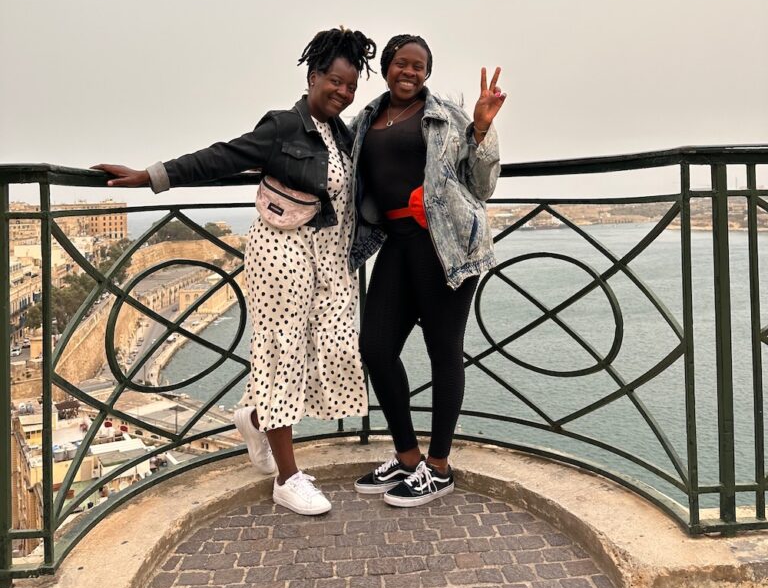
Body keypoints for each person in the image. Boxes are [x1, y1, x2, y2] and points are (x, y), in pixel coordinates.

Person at [93, 27, 376, 516]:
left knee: (327, 346)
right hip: (284, 251)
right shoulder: (286, 125)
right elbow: (222, 155)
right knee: (282, 352)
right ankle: (288, 478)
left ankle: (252, 417)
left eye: (350, 86)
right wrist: (152, 176)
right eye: (334, 80)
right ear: (312, 77)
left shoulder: (340, 133)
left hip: (328, 258)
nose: (343, 92)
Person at [349, 34, 505, 506]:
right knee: (375, 348)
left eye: (419, 66)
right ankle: (408, 457)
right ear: (387, 67)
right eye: (401, 63)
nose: (409, 72)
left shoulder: (448, 117)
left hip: (447, 246)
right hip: (395, 245)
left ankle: (439, 467)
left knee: (443, 352)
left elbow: (483, 185)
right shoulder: (364, 121)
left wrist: (480, 130)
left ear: (427, 74)